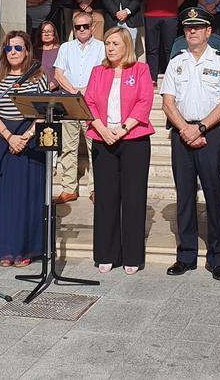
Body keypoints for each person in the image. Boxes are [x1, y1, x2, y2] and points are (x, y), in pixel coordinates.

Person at [160, 7, 220, 281]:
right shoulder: (175, 62)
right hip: (182, 133)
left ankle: (217, 258)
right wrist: (186, 129)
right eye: (187, 27)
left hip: (211, 133)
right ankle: (186, 255)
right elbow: (167, 102)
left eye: (197, 27)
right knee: (185, 197)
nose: (191, 31)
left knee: (214, 196)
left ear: (208, 32)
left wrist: (201, 127)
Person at [84, 26, 155, 274]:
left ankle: (132, 255)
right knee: (106, 198)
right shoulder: (98, 72)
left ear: (126, 45)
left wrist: (123, 129)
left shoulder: (140, 69)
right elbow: (89, 102)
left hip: (133, 139)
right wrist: (102, 129)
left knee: (133, 199)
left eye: (115, 43)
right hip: (103, 139)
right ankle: (107, 253)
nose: (110, 48)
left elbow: (145, 101)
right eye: (107, 43)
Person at [0, 31, 49, 268]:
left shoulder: (38, 77)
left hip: (29, 139)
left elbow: (44, 111)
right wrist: (9, 136)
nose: (13, 52)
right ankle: (5, 248)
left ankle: (25, 249)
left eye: (18, 48)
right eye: (9, 48)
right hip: (4, 139)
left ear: (27, 50)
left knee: (26, 197)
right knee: (4, 198)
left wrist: (26, 136)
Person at [52, 11, 106, 203]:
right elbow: (58, 74)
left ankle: (96, 188)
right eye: (78, 27)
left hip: (92, 102)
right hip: (69, 101)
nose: (81, 30)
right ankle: (69, 188)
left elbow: (104, 72)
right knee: (68, 147)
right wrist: (73, 90)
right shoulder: (65, 48)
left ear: (92, 27)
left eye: (85, 26)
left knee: (95, 147)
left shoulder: (102, 47)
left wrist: (85, 90)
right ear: (73, 28)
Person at [35, 21, 62, 90]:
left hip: (55, 92)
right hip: (35, 92)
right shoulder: (33, 51)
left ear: (54, 34)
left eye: (49, 31)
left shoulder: (61, 50)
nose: (46, 34)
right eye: (43, 32)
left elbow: (63, 73)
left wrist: (47, 88)